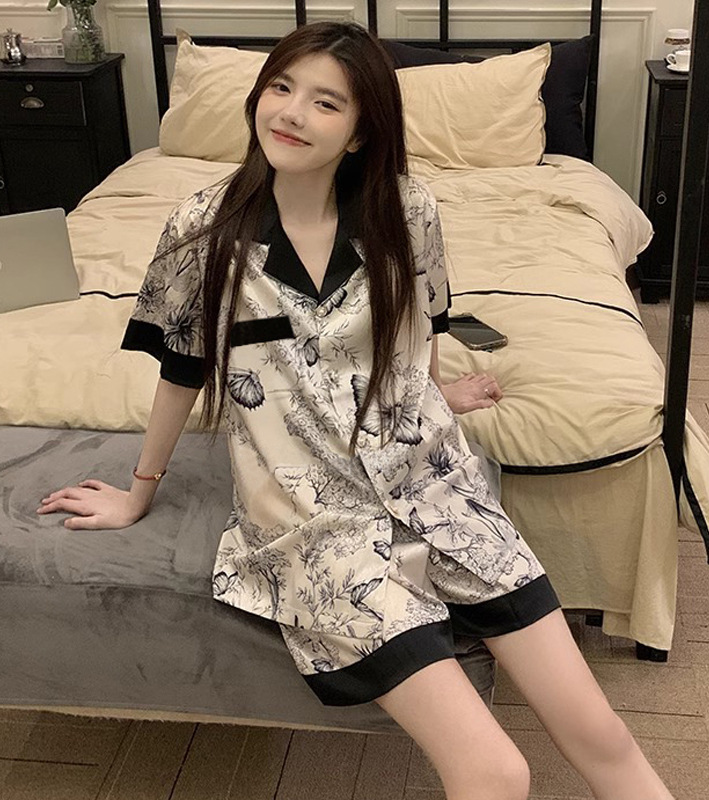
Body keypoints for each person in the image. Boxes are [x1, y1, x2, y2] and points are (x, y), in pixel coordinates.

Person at [38, 21, 675, 800]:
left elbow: (422, 325)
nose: (291, 112)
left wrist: (434, 395)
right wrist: (139, 492)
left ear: (362, 130)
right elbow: (182, 369)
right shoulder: (201, 230)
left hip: (437, 489)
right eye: (280, 87)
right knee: (498, 771)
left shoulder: (409, 209)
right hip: (314, 525)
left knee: (605, 736)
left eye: (325, 102)